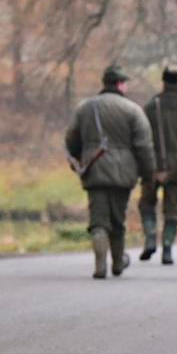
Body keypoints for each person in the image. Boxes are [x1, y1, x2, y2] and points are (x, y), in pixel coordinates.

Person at [65, 64, 155, 279]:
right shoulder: (133, 110)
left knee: (98, 222)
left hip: (94, 170)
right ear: (121, 84)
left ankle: (100, 266)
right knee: (118, 220)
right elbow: (143, 146)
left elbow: (72, 139)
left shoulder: (85, 108)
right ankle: (117, 263)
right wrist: (148, 174)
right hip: (123, 173)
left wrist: (80, 158)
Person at [138, 64, 177, 265]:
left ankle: (151, 237)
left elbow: (141, 137)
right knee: (172, 209)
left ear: (163, 81)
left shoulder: (151, 107)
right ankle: (168, 249)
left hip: (152, 166)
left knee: (147, 203)